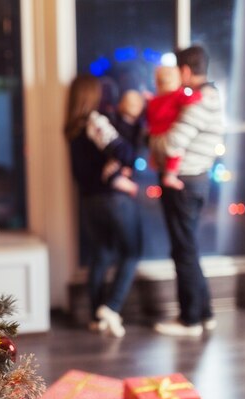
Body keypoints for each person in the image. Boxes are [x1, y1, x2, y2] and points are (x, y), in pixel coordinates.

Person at [153, 45, 224, 337]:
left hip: (183, 182)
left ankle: (190, 320)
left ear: (185, 70)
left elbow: (171, 143)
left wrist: (152, 137)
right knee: (189, 248)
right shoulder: (212, 95)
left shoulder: (199, 101)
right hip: (196, 180)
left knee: (183, 250)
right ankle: (204, 313)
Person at [65, 74, 141, 338]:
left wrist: (107, 167)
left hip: (88, 201)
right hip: (112, 200)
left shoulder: (71, 127)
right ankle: (112, 306)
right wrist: (117, 166)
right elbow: (127, 153)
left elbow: (84, 171)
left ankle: (97, 316)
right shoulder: (96, 121)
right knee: (131, 252)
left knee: (102, 255)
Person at [147, 66, 202, 190]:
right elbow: (191, 98)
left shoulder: (154, 100)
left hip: (155, 135)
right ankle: (170, 177)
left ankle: (154, 161)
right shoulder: (177, 95)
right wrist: (198, 94)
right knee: (176, 152)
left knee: (157, 155)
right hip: (168, 134)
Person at [101, 89, 145, 197]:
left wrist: (129, 166)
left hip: (125, 167)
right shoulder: (115, 121)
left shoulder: (138, 127)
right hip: (116, 166)